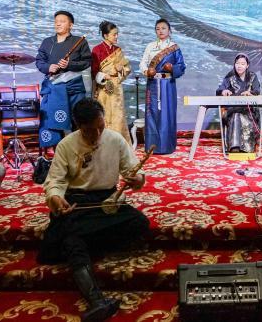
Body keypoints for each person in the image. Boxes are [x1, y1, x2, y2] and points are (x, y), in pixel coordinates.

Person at [38, 98, 149, 322]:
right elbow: (55, 182)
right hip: (77, 204)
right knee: (72, 238)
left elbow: (134, 171)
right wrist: (57, 199)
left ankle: (77, 241)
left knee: (139, 223)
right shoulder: (66, 145)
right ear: (79, 126)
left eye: (101, 126)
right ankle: (97, 301)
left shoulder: (115, 139)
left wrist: (137, 179)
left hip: (107, 201)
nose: (97, 134)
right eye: (90, 130)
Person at [35, 11, 92, 149]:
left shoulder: (79, 41)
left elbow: (87, 62)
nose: (58, 24)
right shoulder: (47, 42)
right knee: (51, 119)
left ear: (70, 25)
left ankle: (81, 151)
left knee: (77, 119)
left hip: (74, 88)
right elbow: (39, 61)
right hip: (54, 87)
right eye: (56, 21)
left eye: (62, 21)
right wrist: (48, 67)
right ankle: (57, 151)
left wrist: (69, 64)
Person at [139, 18, 186, 154]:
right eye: (158, 28)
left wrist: (172, 68)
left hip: (168, 85)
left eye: (163, 28)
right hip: (153, 84)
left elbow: (182, 67)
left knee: (167, 114)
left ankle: (167, 146)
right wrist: (147, 71)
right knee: (152, 113)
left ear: (169, 31)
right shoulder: (150, 46)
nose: (160, 31)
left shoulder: (174, 48)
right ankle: (152, 146)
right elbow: (143, 63)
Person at [91, 21, 132, 144]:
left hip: (117, 86)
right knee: (104, 114)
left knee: (118, 115)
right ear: (105, 35)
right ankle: (104, 143)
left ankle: (120, 144)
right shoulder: (97, 50)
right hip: (103, 87)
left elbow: (127, 68)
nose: (116, 36)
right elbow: (94, 70)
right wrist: (104, 76)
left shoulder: (118, 50)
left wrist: (121, 69)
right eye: (114, 34)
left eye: (117, 34)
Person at [216, 53, 262, 153]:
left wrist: (250, 93)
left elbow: (257, 90)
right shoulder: (230, 76)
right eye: (237, 63)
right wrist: (224, 91)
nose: (239, 66)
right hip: (232, 110)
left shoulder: (252, 76)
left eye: (242, 64)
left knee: (239, 115)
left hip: (249, 111)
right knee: (236, 115)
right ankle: (235, 147)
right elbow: (220, 89)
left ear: (247, 65)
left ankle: (242, 147)